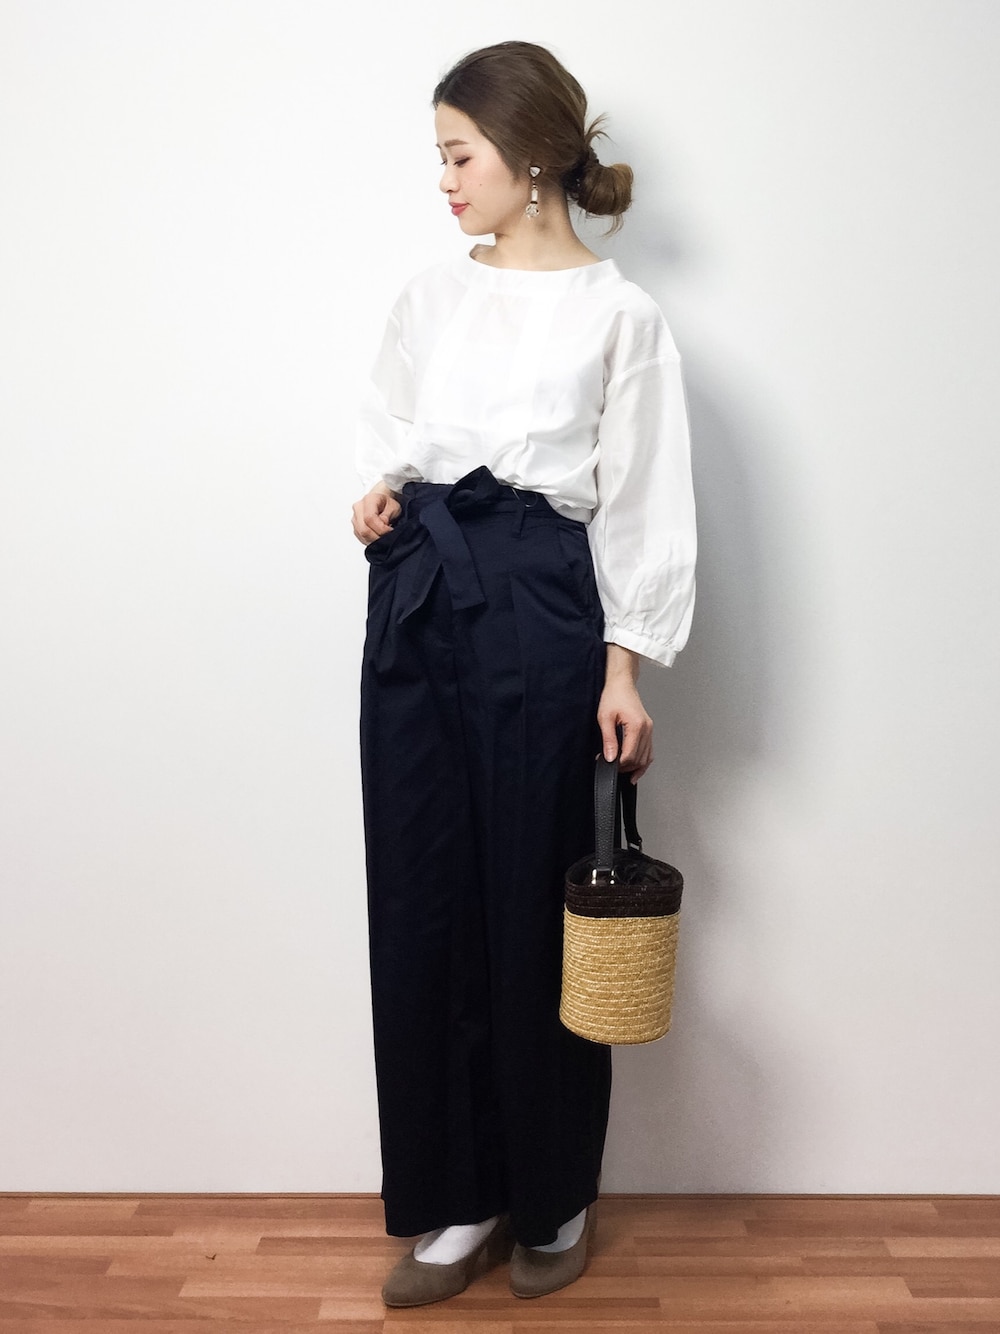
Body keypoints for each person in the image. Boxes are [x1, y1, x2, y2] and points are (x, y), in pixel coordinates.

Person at [351, 40, 696, 1308]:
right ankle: (460, 1194)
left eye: (459, 154)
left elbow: (642, 501)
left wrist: (624, 668)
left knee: (531, 897)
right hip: (421, 592)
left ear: (531, 154)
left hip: (546, 604)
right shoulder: (427, 298)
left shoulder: (621, 315)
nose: (444, 180)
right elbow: (393, 434)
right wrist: (378, 496)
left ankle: (552, 1188)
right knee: (424, 892)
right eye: (439, 157)